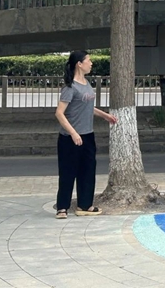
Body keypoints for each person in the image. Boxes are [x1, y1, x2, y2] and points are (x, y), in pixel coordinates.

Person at [54, 50, 118, 219]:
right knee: (68, 172)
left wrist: (105, 116)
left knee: (88, 171)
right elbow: (59, 113)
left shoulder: (87, 84)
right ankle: (62, 208)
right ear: (79, 64)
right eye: (88, 60)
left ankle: (85, 205)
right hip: (70, 138)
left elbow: (88, 106)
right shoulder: (70, 87)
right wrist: (73, 133)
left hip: (88, 135)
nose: (91, 63)